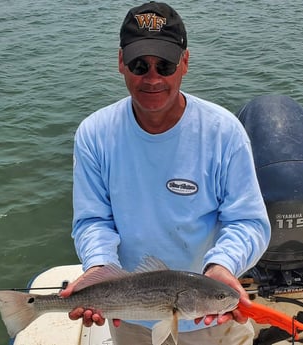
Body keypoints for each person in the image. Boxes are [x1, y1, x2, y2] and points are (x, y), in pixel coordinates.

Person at [60, 2, 271, 344]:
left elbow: (248, 221)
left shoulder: (224, 132)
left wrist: (222, 266)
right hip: (131, 314)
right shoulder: (94, 133)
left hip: (210, 312)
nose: (153, 77)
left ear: (185, 63)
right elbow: (93, 221)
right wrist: (99, 267)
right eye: (139, 65)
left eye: (166, 64)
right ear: (120, 63)